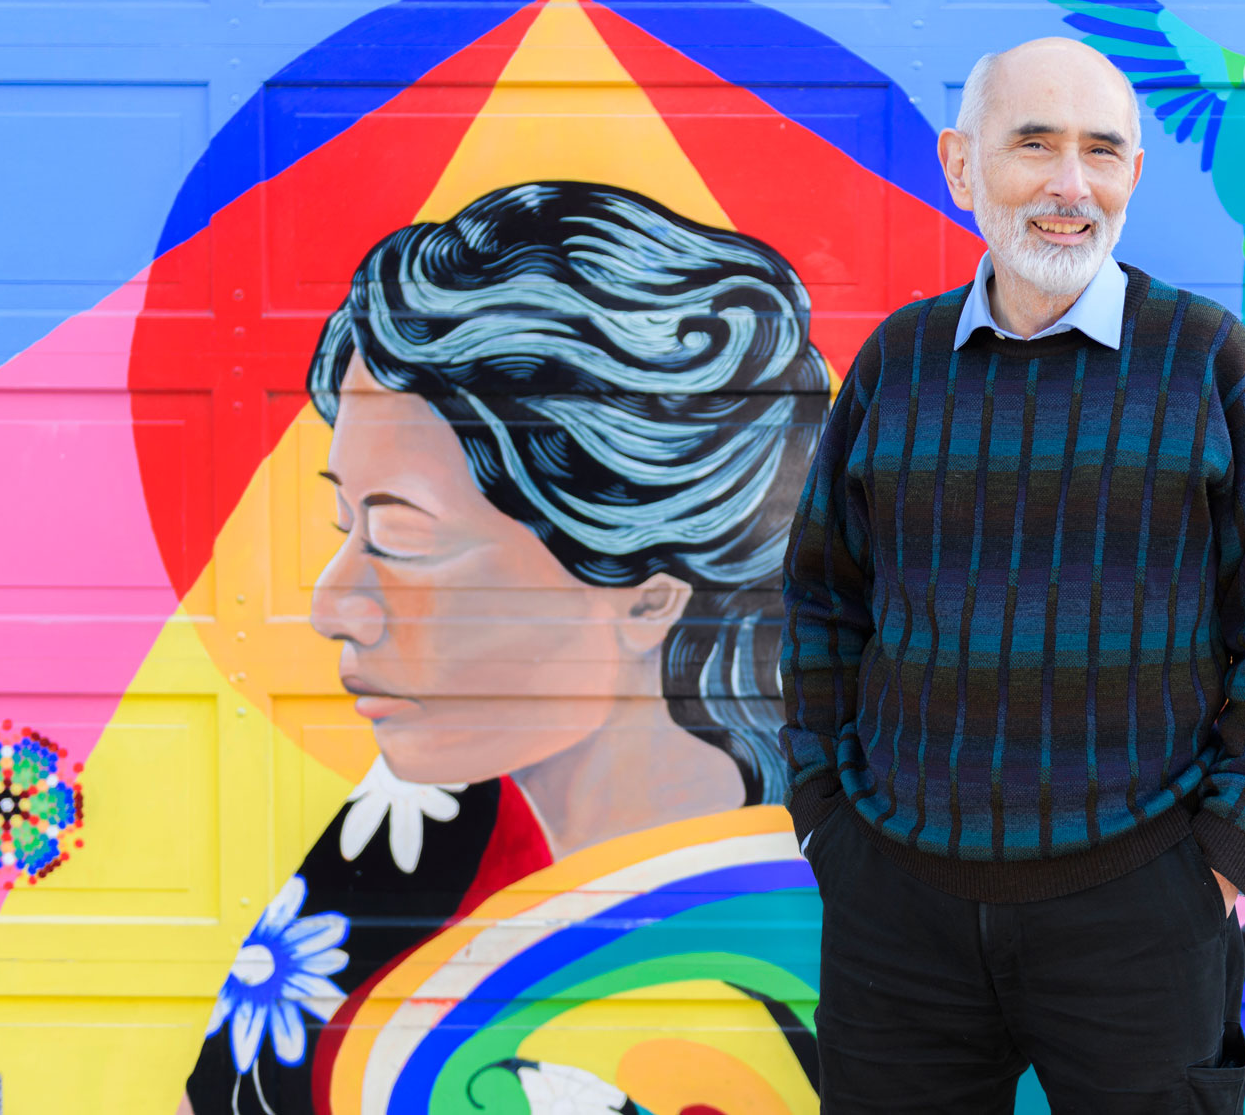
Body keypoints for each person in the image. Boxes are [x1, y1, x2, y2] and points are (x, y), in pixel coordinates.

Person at [183, 180, 829, 1114]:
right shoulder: (424, 818)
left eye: (401, 536)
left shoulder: (779, 960)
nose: (333, 605)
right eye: (342, 524)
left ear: (648, 594)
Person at [781, 37, 1245, 1113]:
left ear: (1133, 172)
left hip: (1138, 910)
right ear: (959, 165)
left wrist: (1221, 850)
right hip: (897, 912)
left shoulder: (1208, 363)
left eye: (1101, 151)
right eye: (1033, 144)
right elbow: (820, 603)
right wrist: (824, 820)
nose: (1068, 186)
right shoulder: (895, 366)